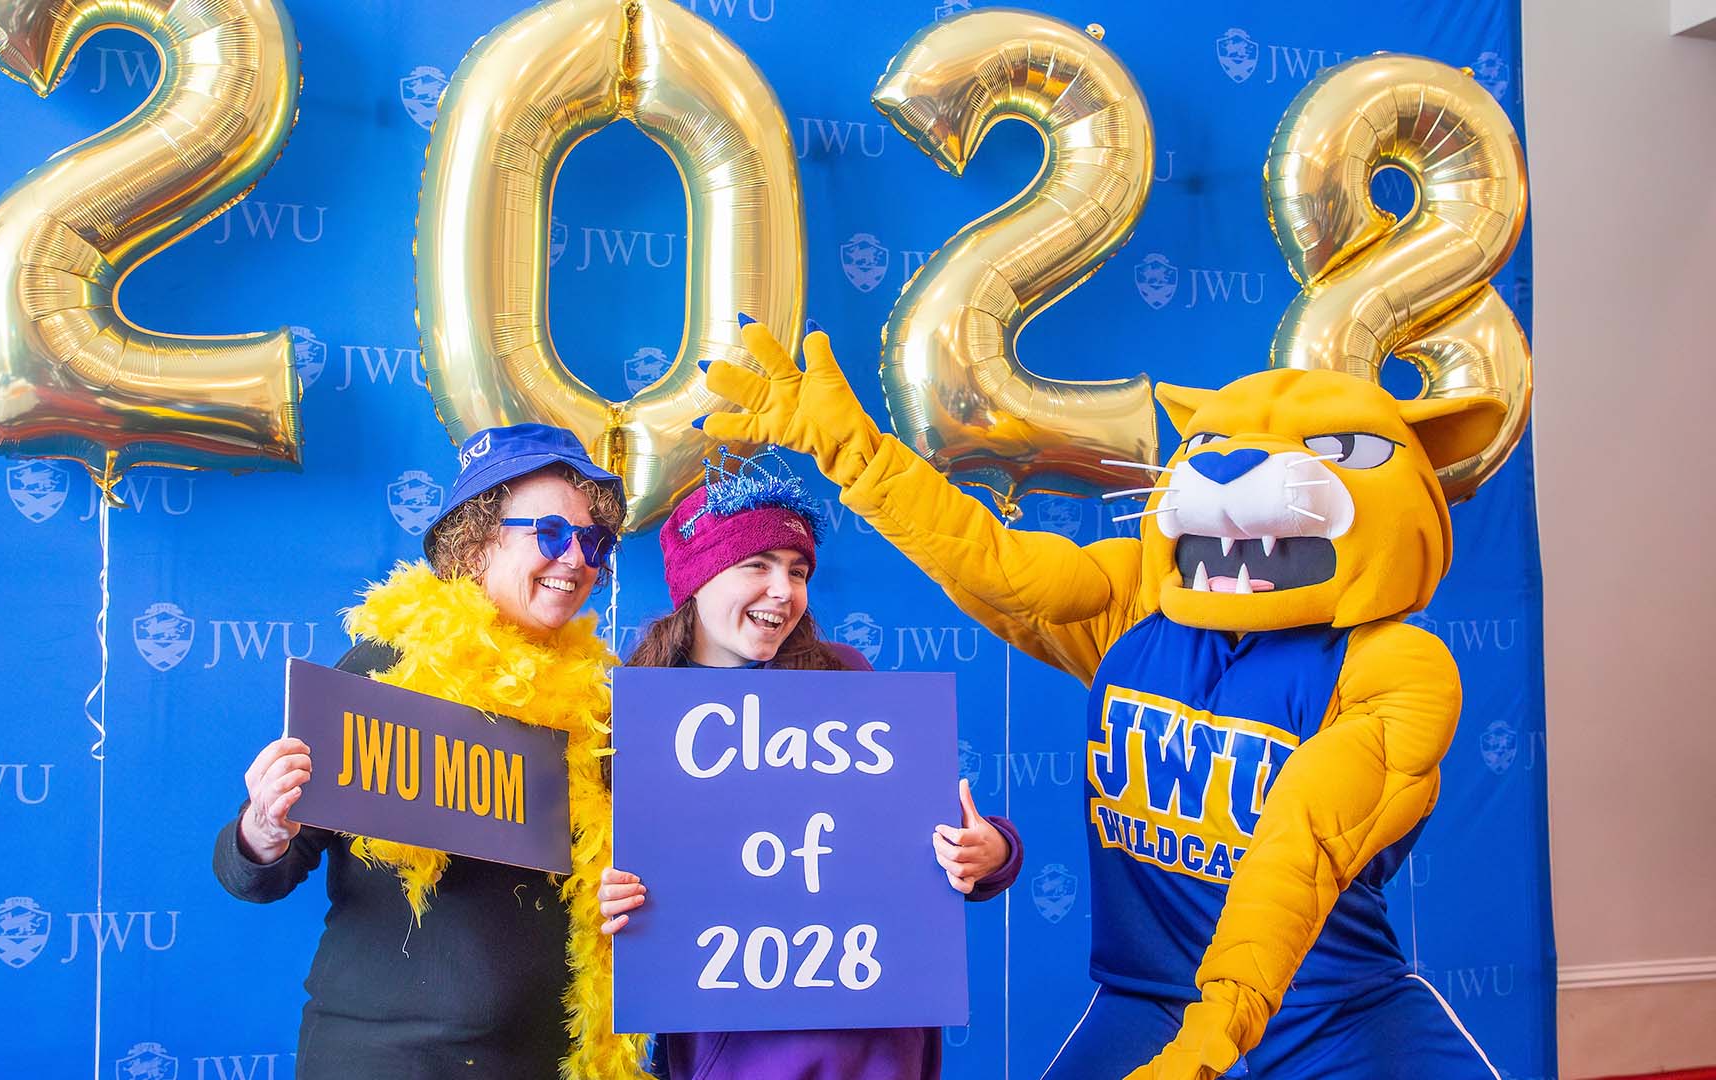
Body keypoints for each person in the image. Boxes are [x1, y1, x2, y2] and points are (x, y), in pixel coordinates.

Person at [696, 318, 1505, 1080]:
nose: (1227, 468)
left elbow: (1302, 842)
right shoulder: (1136, 606)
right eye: (1213, 443)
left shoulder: (1393, 664)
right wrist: (852, 451)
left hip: (1333, 1011)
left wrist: (1216, 1032)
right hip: (1150, 1001)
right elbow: (995, 566)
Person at [213, 423, 651, 1080]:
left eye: (594, 542)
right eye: (553, 535)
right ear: (475, 544)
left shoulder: (597, 707)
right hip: (389, 1060)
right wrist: (264, 827)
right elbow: (258, 873)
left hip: (543, 1059)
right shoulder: (386, 670)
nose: (577, 559)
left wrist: (622, 896)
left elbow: (609, 877)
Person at [598, 448, 1024, 1080]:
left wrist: (990, 853)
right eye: (758, 565)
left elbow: (922, 833)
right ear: (699, 578)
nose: (783, 590)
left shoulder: (843, 675)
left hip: (878, 1039)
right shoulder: (637, 712)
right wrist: (604, 900)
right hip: (728, 1046)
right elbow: (602, 878)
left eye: (798, 571)